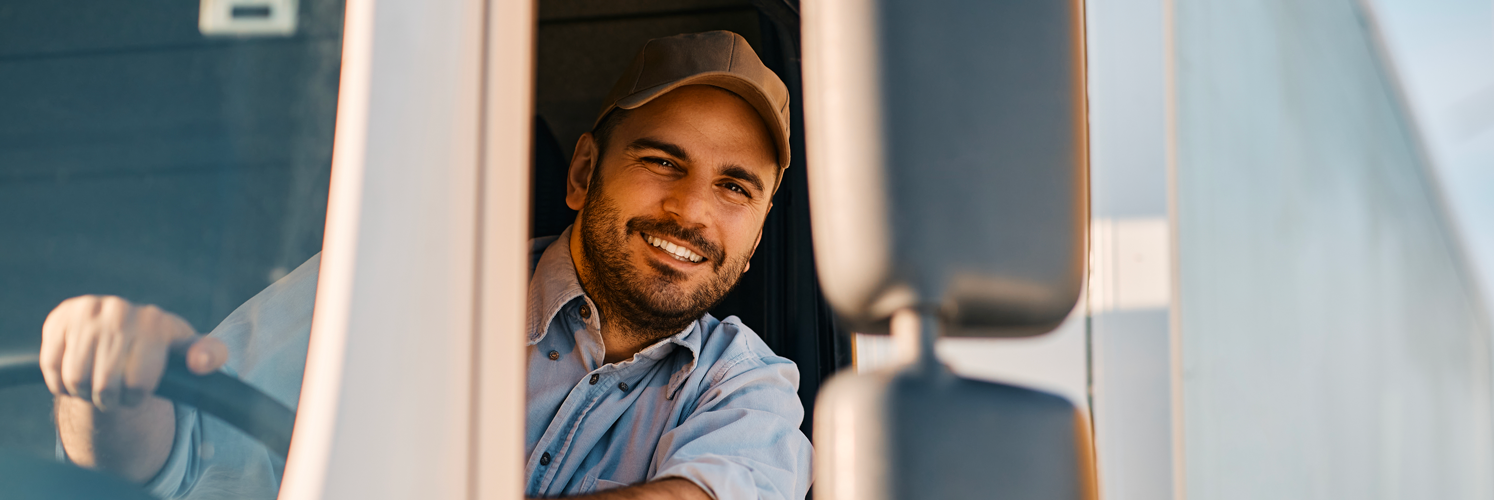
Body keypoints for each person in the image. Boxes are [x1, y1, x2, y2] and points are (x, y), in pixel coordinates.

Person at [40, 30, 811, 500]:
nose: (691, 211)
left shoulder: (749, 387)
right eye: (661, 161)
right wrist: (105, 388)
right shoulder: (398, 284)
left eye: (734, 187)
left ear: (755, 237)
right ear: (581, 175)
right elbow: (180, 460)